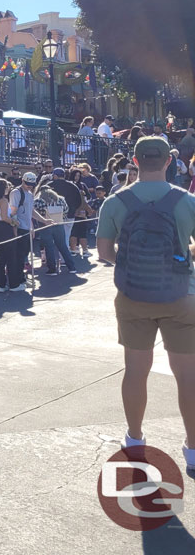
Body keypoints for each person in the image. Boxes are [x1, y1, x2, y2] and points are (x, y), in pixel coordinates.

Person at [96, 135, 195, 475]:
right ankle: (193, 450)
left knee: (136, 371)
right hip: (181, 294)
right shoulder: (186, 200)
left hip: (133, 295)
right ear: (170, 160)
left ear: (134, 162)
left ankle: (135, 439)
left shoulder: (115, 201)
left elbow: (105, 254)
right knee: (188, 376)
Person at [0, 178, 19, 292]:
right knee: (11, 257)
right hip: (4, 229)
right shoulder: (3, 200)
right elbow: (5, 217)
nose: (8, 188)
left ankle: (0, 284)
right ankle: (14, 284)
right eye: (7, 186)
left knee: (1, 258)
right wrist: (14, 222)